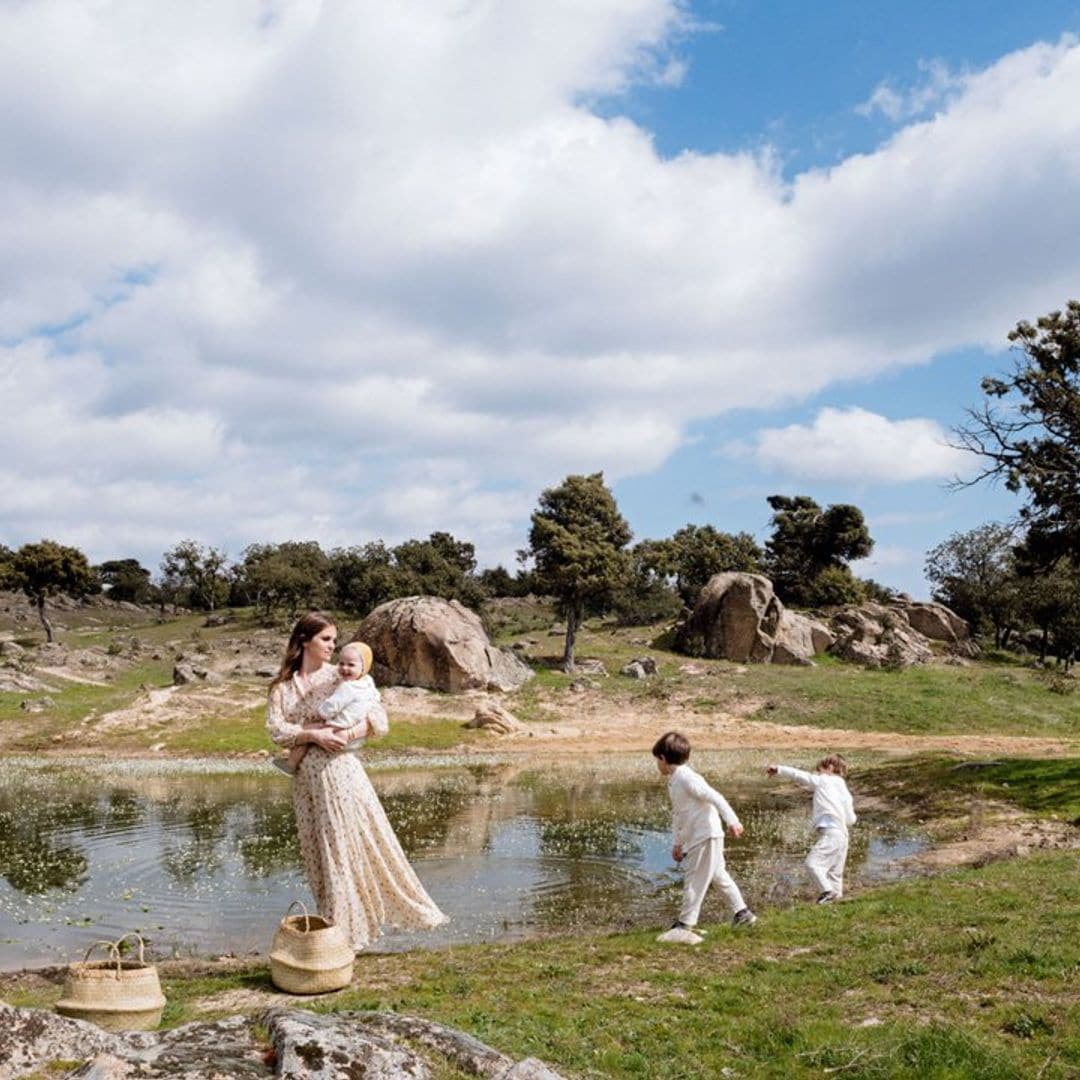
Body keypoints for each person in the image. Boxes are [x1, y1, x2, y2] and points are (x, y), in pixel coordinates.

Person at [266, 612, 447, 950]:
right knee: (318, 854)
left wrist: (347, 732)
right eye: (326, 640)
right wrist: (312, 735)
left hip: (341, 775)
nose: (333, 647)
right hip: (306, 782)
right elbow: (277, 731)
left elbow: (379, 718)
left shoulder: (344, 674)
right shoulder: (282, 688)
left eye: (335, 640)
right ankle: (336, 928)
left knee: (345, 851)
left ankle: (348, 934)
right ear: (304, 640)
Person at [653, 731, 757, 945]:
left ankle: (685, 924)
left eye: (656, 760)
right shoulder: (675, 781)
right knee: (719, 876)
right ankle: (743, 914)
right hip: (700, 837)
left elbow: (715, 797)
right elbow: (679, 815)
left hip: (706, 835)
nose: (656, 764)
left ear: (663, 758)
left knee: (694, 880)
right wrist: (677, 843)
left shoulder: (687, 778)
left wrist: (733, 821)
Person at [273, 641, 387, 776]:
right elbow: (376, 699)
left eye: (351, 665)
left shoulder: (347, 687)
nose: (345, 668)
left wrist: (322, 712)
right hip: (353, 737)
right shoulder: (368, 683)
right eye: (341, 663)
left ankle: (291, 764)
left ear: (364, 667)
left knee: (309, 730)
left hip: (337, 729)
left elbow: (331, 708)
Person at [766, 754, 856, 904]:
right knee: (835, 874)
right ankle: (836, 903)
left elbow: (800, 776)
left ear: (830, 768)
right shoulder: (844, 789)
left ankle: (827, 892)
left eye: (819, 770)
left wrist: (779, 769)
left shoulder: (825, 780)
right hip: (843, 835)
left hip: (831, 833)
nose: (817, 774)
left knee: (812, 864)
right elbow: (851, 819)